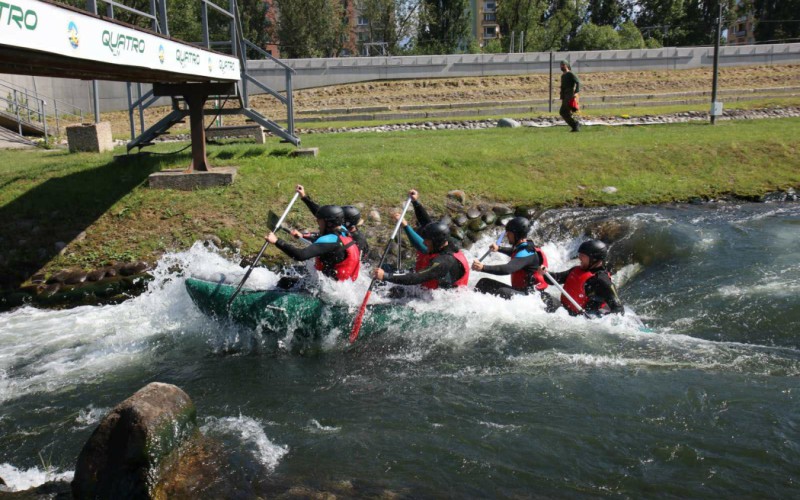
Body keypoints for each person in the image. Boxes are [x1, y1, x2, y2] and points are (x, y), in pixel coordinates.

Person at [471, 216, 557, 311]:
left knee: (492, 287)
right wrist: (499, 249)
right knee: (485, 283)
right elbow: (515, 252)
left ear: (516, 235)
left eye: (509, 233)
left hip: (529, 297)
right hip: (523, 293)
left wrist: (482, 267)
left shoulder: (527, 254)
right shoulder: (526, 246)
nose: (507, 235)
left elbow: (508, 269)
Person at [265, 204, 360, 281]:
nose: (318, 224)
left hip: (331, 287)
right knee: (291, 271)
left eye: (320, 222)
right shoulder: (343, 231)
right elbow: (322, 237)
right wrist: (303, 235)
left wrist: (277, 241)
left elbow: (300, 255)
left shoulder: (329, 241)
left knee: (284, 282)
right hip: (345, 282)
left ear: (329, 223)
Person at [372, 221, 469, 291]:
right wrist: (407, 224)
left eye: (427, 240)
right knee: (385, 268)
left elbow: (417, 277)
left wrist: (386, 276)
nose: (424, 242)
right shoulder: (444, 243)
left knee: (394, 291)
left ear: (437, 242)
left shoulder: (444, 261)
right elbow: (427, 222)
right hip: (427, 284)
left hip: (440, 300)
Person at [547, 239, 624, 316]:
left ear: (594, 259)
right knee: (543, 296)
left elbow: (619, 310)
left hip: (581, 319)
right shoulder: (576, 270)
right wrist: (541, 271)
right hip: (564, 311)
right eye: (579, 254)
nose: (579, 257)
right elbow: (554, 279)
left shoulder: (602, 281)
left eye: (582, 255)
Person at [292, 184, 369, 260]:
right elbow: (323, 214)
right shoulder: (343, 229)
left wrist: (304, 236)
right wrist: (304, 197)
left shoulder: (357, 240)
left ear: (346, 222)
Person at [559, 60, 581, 132]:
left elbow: (578, 82)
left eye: (563, 65)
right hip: (565, 95)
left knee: (563, 111)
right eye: (561, 65)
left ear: (567, 65)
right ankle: (575, 125)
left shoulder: (571, 74)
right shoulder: (563, 76)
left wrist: (576, 92)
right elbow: (562, 87)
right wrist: (562, 96)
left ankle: (575, 125)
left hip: (570, 94)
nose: (562, 66)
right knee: (564, 112)